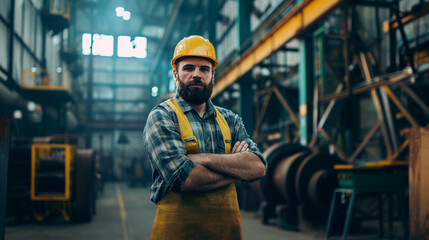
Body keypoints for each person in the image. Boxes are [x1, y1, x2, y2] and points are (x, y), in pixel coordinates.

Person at [143, 35, 266, 240]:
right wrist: (237, 169)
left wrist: (202, 158)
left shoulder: (230, 119)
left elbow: (257, 167)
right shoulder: (162, 116)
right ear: (176, 74)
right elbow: (183, 179)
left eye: (204, 69)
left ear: (212, 76)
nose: (197, 74)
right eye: (189, 68)